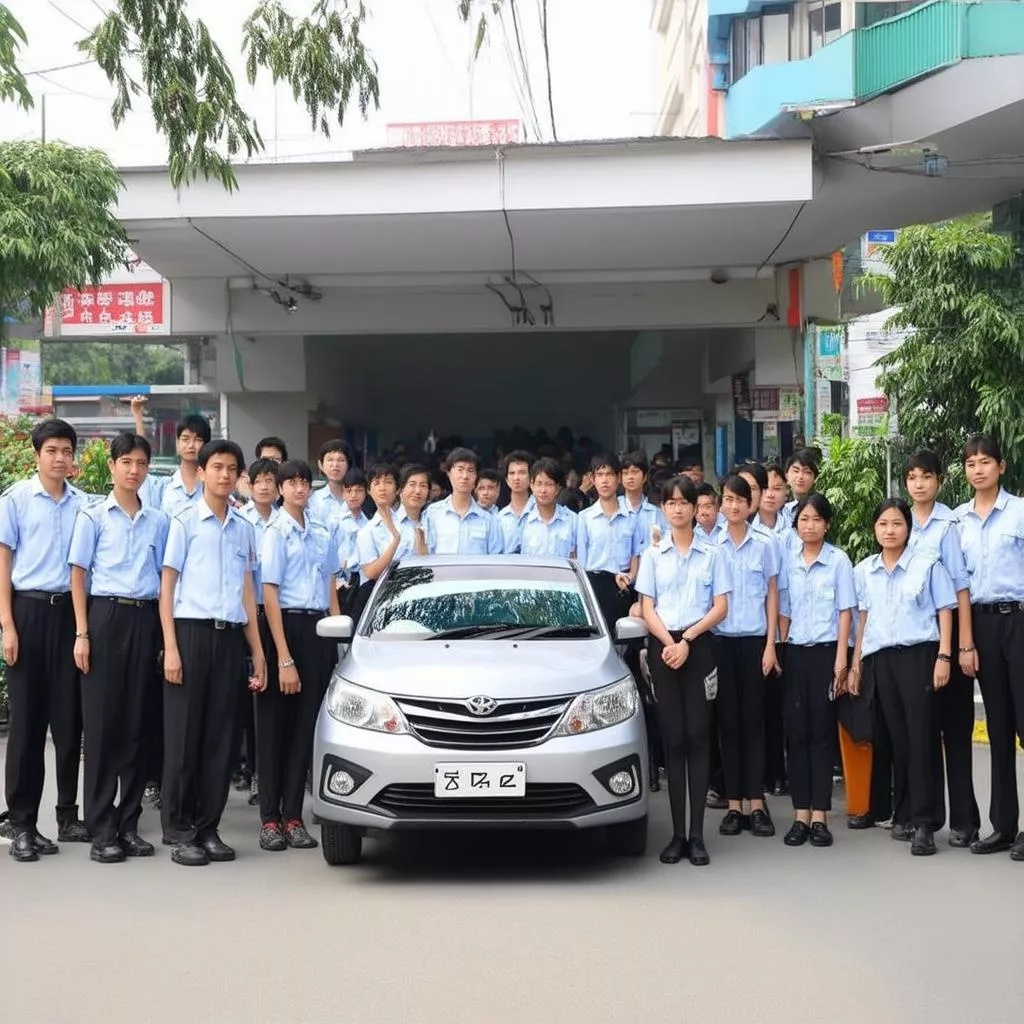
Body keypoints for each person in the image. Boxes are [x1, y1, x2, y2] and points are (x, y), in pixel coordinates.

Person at [159, 439, 266, 867]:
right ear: (201, 471)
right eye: (217, 467)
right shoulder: (183, 522)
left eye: (231, 468)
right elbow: (166, 588)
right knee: (185, 736)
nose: (224, 475)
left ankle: (208, 826)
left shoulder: (244, 528)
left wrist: (257, 651)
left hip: (229, 638)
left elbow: (247, 592)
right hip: (189, 634)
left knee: (222, 737)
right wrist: (170, 647)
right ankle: (180, 829)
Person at [68, 432, 169, 864]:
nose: (133, 470)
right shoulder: (93, 518)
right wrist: (82, 633)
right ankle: (101, 827)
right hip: (105, 618)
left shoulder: (159, 521)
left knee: (137, 726)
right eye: (125, 461)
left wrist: (166, 638)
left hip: (145, 618)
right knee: (105, 727)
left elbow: (165, 582)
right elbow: (78, 575)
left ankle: (128, 824)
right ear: (111, 466)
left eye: (141, 463)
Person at [0, 419, 90, 862]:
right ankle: (22, 824)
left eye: (66, 450)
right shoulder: (16, 500)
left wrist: (82, 630)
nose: (59, 457)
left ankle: (68, 815)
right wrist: (7, 626)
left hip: (70, 616)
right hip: (28, 612)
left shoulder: (84, 506)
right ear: (37, 454)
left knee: (69, 722)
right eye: (51, 450)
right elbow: (4, 564)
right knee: (27, 726)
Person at [850, 499, 956, 857]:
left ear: (908, 528)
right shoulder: (865, 570)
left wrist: (944, 656)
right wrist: (856, 663)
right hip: (882, 660)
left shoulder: (927, 566)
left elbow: (945, 611)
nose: (890, 530)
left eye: (897, 523)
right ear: (874, 529)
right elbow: (863, 620)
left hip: (920, 656)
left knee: (923, 737)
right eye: (883, 524)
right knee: (899, 740)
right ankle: (905, 813)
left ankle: (926, 823)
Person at [637, 475, 731, 866]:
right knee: (673, 738)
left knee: (698, 736)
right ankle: (677, 835)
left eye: (684, 502)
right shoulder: (653, 556)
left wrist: (687, 640)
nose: (677, 508)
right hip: (664, 647)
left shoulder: (713, 553)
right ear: (664, 509)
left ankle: (697, 836)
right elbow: (646, 606)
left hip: (699, 644)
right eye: (670, 503)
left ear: (696, 508)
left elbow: (721, 606)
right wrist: (669, 643)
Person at [257, 460, 341, 852]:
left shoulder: (323, 532)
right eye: (290, 482)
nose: (298, 488)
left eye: (304, 482)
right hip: (282, 629)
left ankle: (294, 814)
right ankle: (269, 818)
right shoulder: (274, 532)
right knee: (274, 727)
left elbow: (330, 586)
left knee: (306, 728)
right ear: (279, 488)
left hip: (317, 630)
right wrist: (283, 657)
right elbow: (269, 594)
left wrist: (339, 636)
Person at [904, 450, 980, 846]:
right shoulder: (898, 521)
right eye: (913, 477)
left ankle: (965, 820)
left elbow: (960, 588)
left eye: (926, 477)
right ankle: (924, 820)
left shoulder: (948, 525)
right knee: (923, 734)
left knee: (955, 730)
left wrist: (962, 644)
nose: (919, 484)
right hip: (915, 644)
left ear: (939, 480)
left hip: (946, 640)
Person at [954, 435, 1024, 860]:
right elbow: (959, 584)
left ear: (1001, 466)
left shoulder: (1019, 511)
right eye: (971, 463)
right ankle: (1004, 827)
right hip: (980, 624)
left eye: (985, 462)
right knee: (998, 727)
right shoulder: (957, 520)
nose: (978, 469)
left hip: (1019, 619)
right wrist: (965, 642)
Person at [779, 493, 856, 848]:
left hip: (827, 654)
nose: (809, 526)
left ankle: (821, 815)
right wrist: (778, 648)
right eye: (803, 519)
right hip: (795, 653)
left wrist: (842, 659)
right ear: (796, 525)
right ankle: (800, 814)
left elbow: (845, 613)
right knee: (797, 733)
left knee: (822, 733)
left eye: (816, 519)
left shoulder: (839, 561)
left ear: (827, 524)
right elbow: (783, 609)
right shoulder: (787, 560)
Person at [713, 474, 780, 839]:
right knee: (728, 724)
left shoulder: (765, 544)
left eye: (741, 499)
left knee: (755, 723)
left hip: (755, 642)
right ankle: (734, 804)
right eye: (728, 499)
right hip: (721, 643)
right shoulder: (711, 546)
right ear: (722, 504)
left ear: (749, 504)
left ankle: (757, 803)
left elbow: (772, 595)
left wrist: (771, 644)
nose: (735, 505)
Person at [235, 458, 281, 802]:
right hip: (245, 614)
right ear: (248, 483)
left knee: (269, 700)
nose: (265, 486)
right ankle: (248, 771)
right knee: (244, 701)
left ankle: (267, 774)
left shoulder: (286, 522)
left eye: (271, 480)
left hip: (274, 614)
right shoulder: (241, 520)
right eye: (259, 480)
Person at [577, 453, 643, 632]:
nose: (604, 481)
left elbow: (635, 555)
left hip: (624, 588)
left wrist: (630, 578)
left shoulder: (631, 517)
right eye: (599, 475)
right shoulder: (584, 518)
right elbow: (582, 564)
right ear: (592, 479)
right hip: (595, 587)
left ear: (618, 478)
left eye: (609, 475)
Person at [358, 463, 430, 582]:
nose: (382, 488)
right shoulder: (367, 531)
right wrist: (396, 540)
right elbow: (370, 573)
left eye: (388, 482)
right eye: (376, 483)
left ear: (397, 489)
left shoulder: (410, 523)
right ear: (369, 490)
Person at [423, 448, 504, 555]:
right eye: (460, 469)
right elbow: (426, 555)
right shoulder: (433, 513)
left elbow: (495, 561)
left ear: (476, 477)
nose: (465, 476)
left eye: (470, 470)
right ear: (449, 473)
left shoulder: (488, 519)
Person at [519, 458, 578, 558]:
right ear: (532, 486)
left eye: (549, 484)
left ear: (558, 488)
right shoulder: (524, 521)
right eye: (539, 484)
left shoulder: (572, 520)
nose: (543, 490)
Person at [160, 414, 212, 516]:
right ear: (177, 442)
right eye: (185, 439)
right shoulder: (164, 486)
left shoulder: (213, 485)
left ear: (206, 445)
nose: (191, 445)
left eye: (198, 440)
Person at [621, 451, 666, 546]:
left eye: (635, 472)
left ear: (645, 477)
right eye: (625, 473)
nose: (630, 477)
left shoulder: (656, 513)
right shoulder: (615, 509)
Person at [308, 438, 355, 526]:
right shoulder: (313, 500)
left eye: (341, 460)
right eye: (330, 460)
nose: (335, 465)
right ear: (320, 465)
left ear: (349, 465)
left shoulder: (358, 497)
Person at [496, 450, 535, 553]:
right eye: (512, 473)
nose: (516, 478)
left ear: (531, 477)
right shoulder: (499, 518)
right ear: (506, 479)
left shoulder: (540, 512)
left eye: (522, 472)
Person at [781, 449, 819, 530]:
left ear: (815, 478)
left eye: (807, 472)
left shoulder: (820, 508)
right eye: (796, 471)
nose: (800, 476)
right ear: (786, 476)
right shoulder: (780, 510)